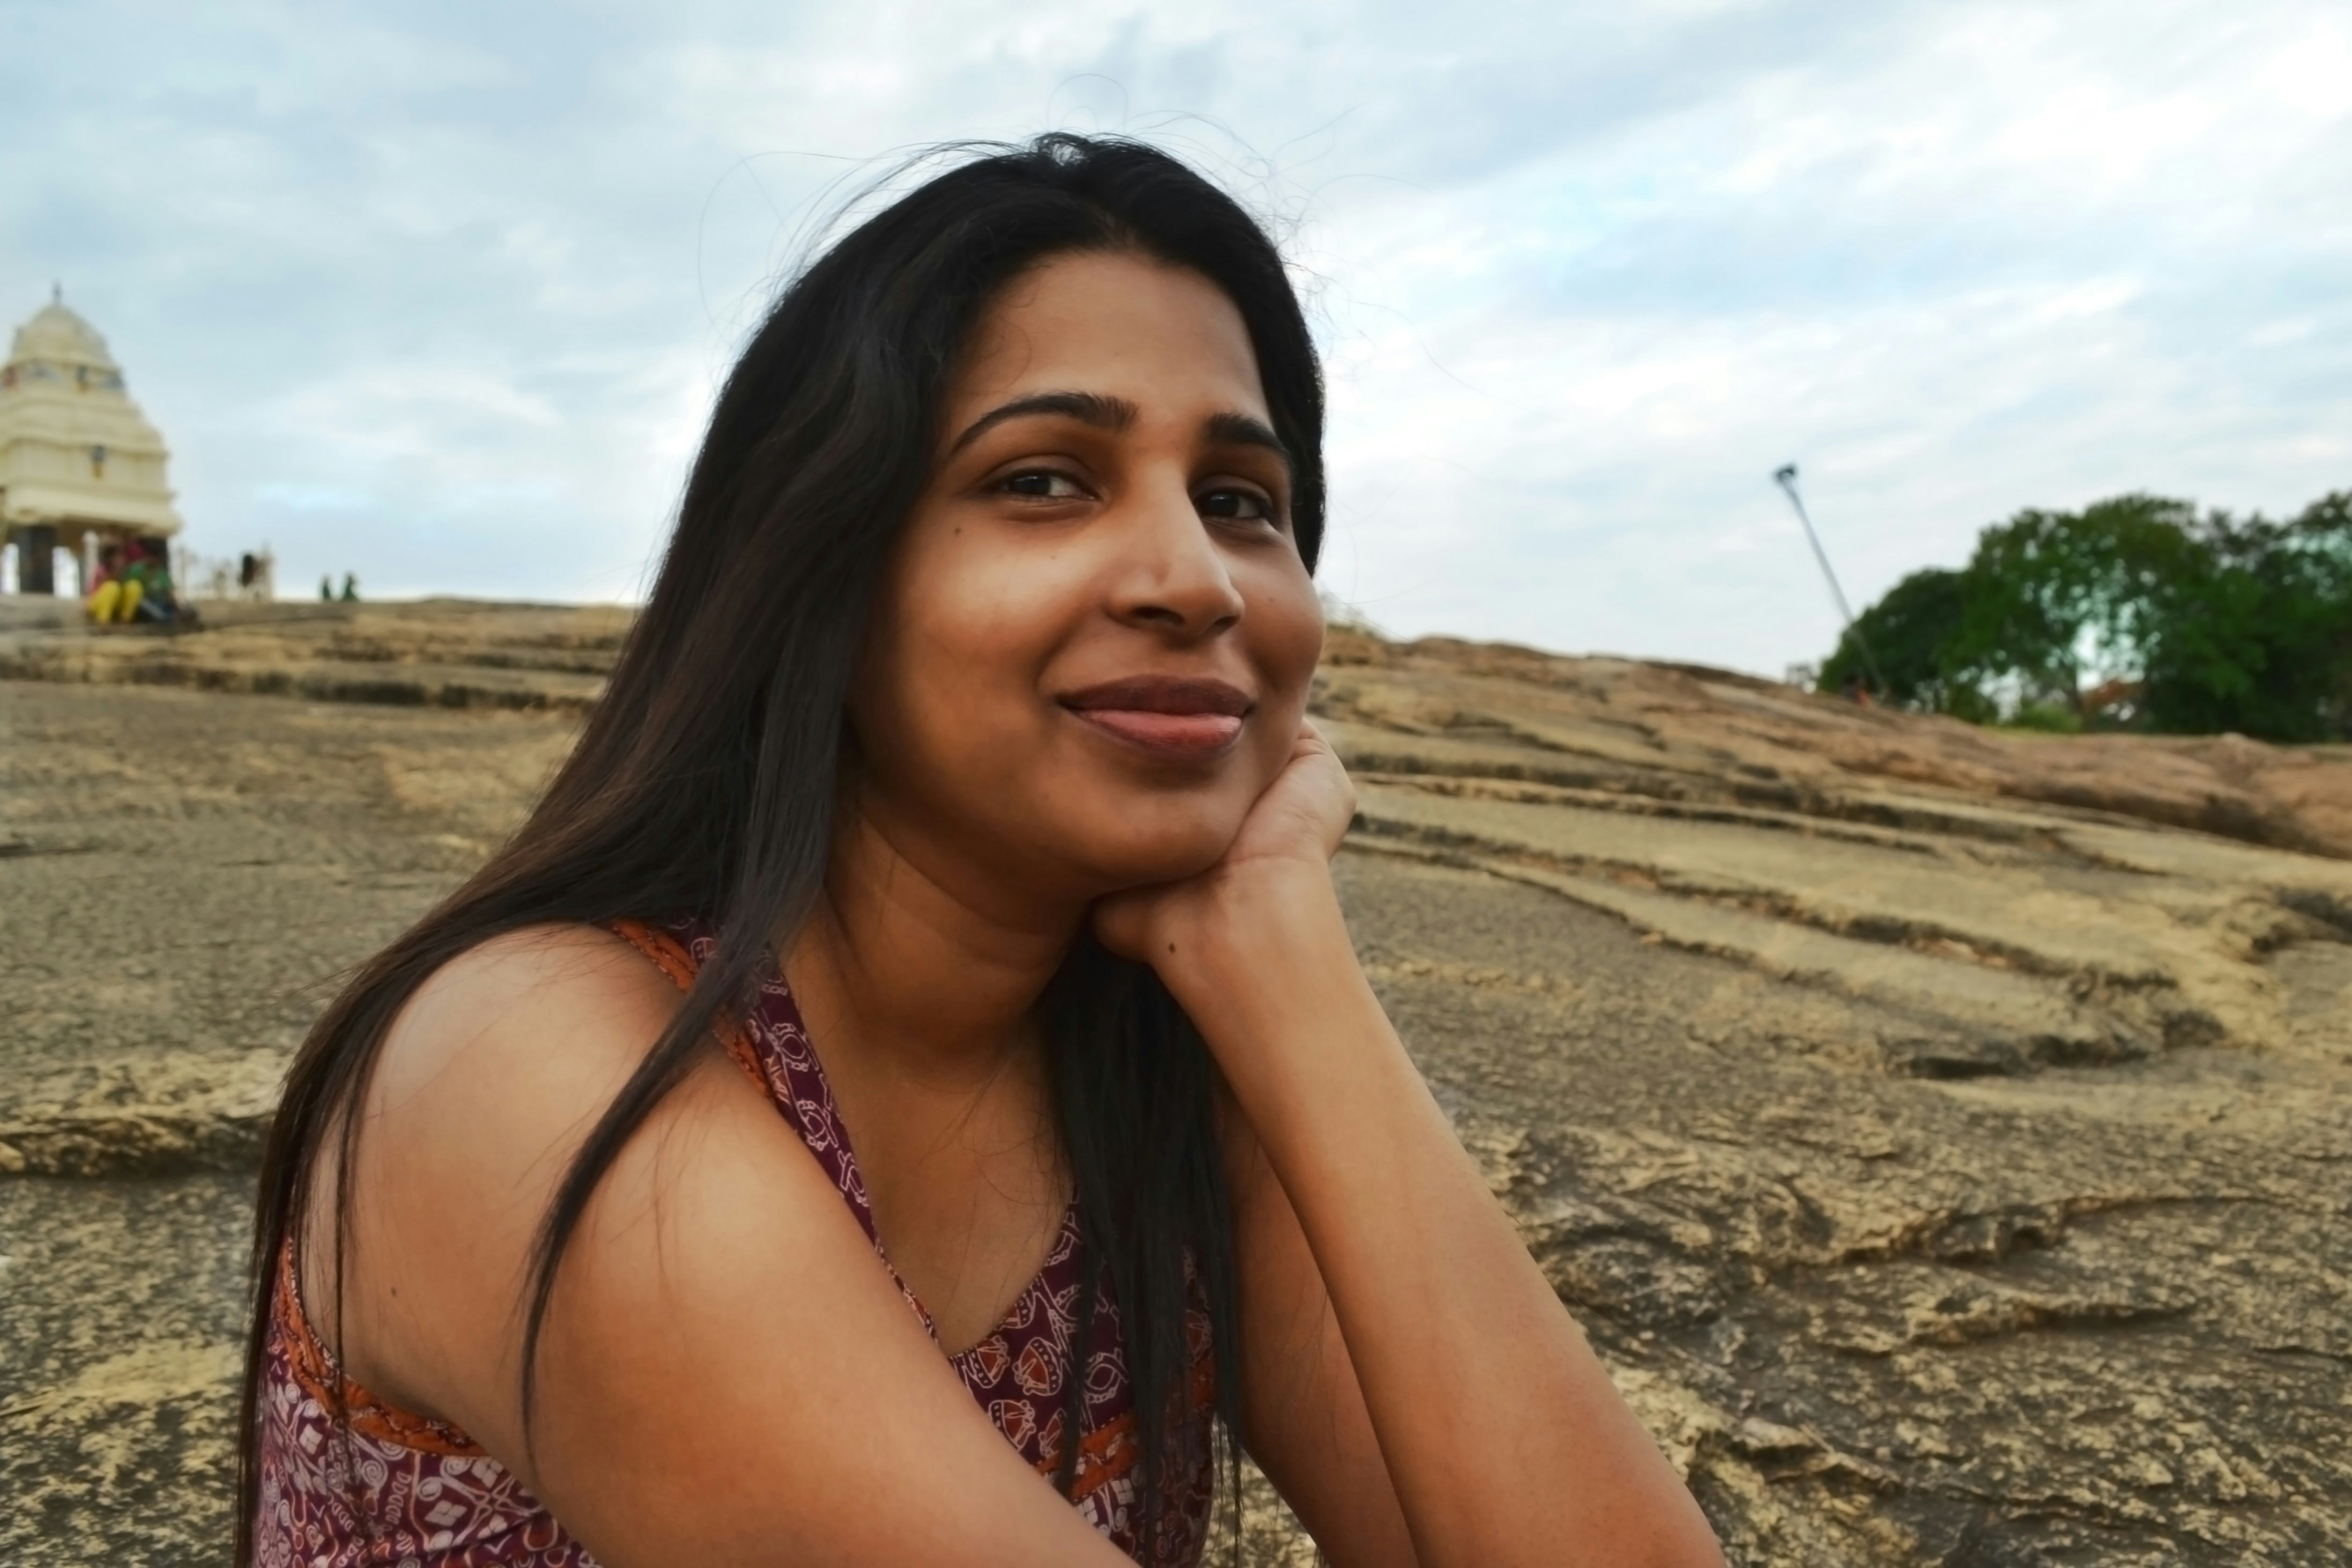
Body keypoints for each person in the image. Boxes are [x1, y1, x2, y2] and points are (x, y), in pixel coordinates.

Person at [237, 135, 1726, 1568]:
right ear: (822, 563)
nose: (1193, 582)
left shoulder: (1161, 1085)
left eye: (1240, 502)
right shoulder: (528, 1065)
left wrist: (1283, 955)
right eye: (1043, 479)